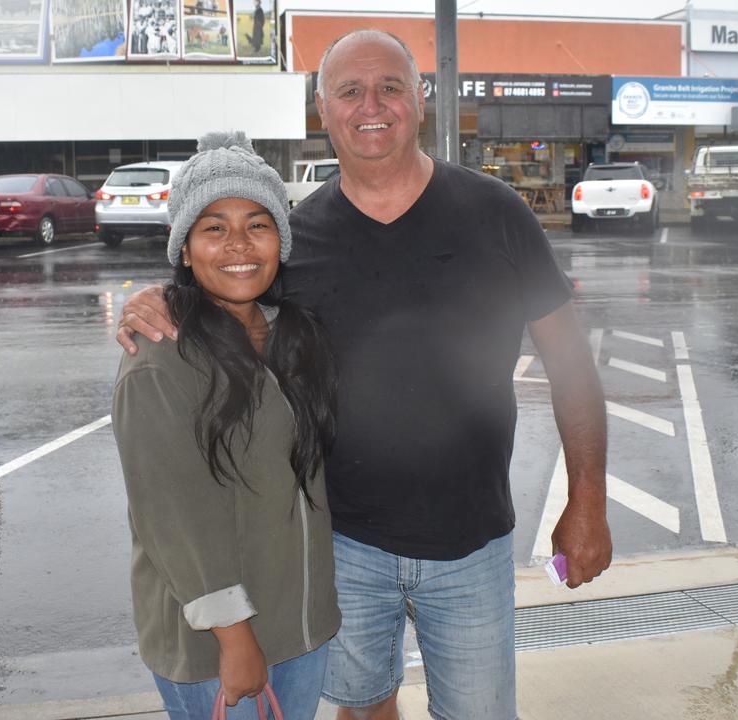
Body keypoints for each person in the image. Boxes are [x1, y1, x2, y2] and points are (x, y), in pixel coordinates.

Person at [119, 30, 611, 720]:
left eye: (389, 87)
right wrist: (160, 297)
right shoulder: (294, 240)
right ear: (324, 109)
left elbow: (571, 366)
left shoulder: (495, 213)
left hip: (472, 540)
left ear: (419, 99)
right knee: (361, 711)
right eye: (349, 90)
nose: (370, 105)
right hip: (339, 545)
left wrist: (586, 500)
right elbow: (221, 282)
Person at [112, 131, 341, 720]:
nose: (238, 244)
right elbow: (171, 516)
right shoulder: (161, 354)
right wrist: (235, 637)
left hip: (300, 631)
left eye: (258, 224)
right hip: (218, 645)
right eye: (214, 227)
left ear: (281, 241)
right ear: (184, 249)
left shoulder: (294, 336)